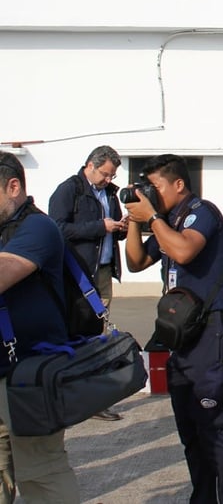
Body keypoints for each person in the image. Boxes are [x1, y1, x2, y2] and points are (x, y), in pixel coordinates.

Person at [123, 154, 223, 504]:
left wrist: (150, 216)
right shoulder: (165, 220)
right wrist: (137, 218)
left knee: (215, 429)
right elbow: (135, 262)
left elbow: (183, 251)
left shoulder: (201, 213)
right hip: (183, 339)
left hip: (213, 332)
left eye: (156, 187)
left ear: (179, 184)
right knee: (191, 432)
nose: (152, 194)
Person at [0, 151, 80, 503]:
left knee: (40, 472)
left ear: (13, 186)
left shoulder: (37, 227)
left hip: (31, 373)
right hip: (5, 371)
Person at [47, 145, 127, 422]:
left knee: (99, 335)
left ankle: (93, 399)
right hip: (76, 277)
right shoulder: (69, 190)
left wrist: (120, 228)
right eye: (105, 174)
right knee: (78, 335)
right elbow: (56, 229)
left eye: (112, 175)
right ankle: (73, 396)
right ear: (90, 166)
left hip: (102, 272)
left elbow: (109, 228)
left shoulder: (110, 193)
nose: (108, 179)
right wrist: (99, 227)